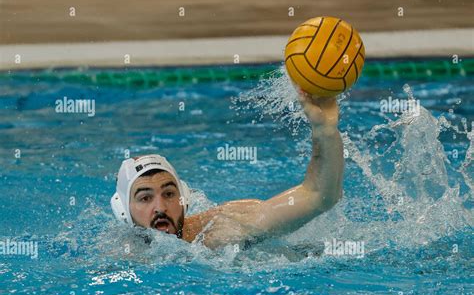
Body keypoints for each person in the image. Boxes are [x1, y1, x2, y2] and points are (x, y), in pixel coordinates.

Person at [111, 91, 344, 249]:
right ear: (124, 211)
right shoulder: (120, 260)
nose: (160, 207)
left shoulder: (223, 227)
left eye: (169, 194)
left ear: (184, 198)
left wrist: (325, 132)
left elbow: (320, 196)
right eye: (145, 198)